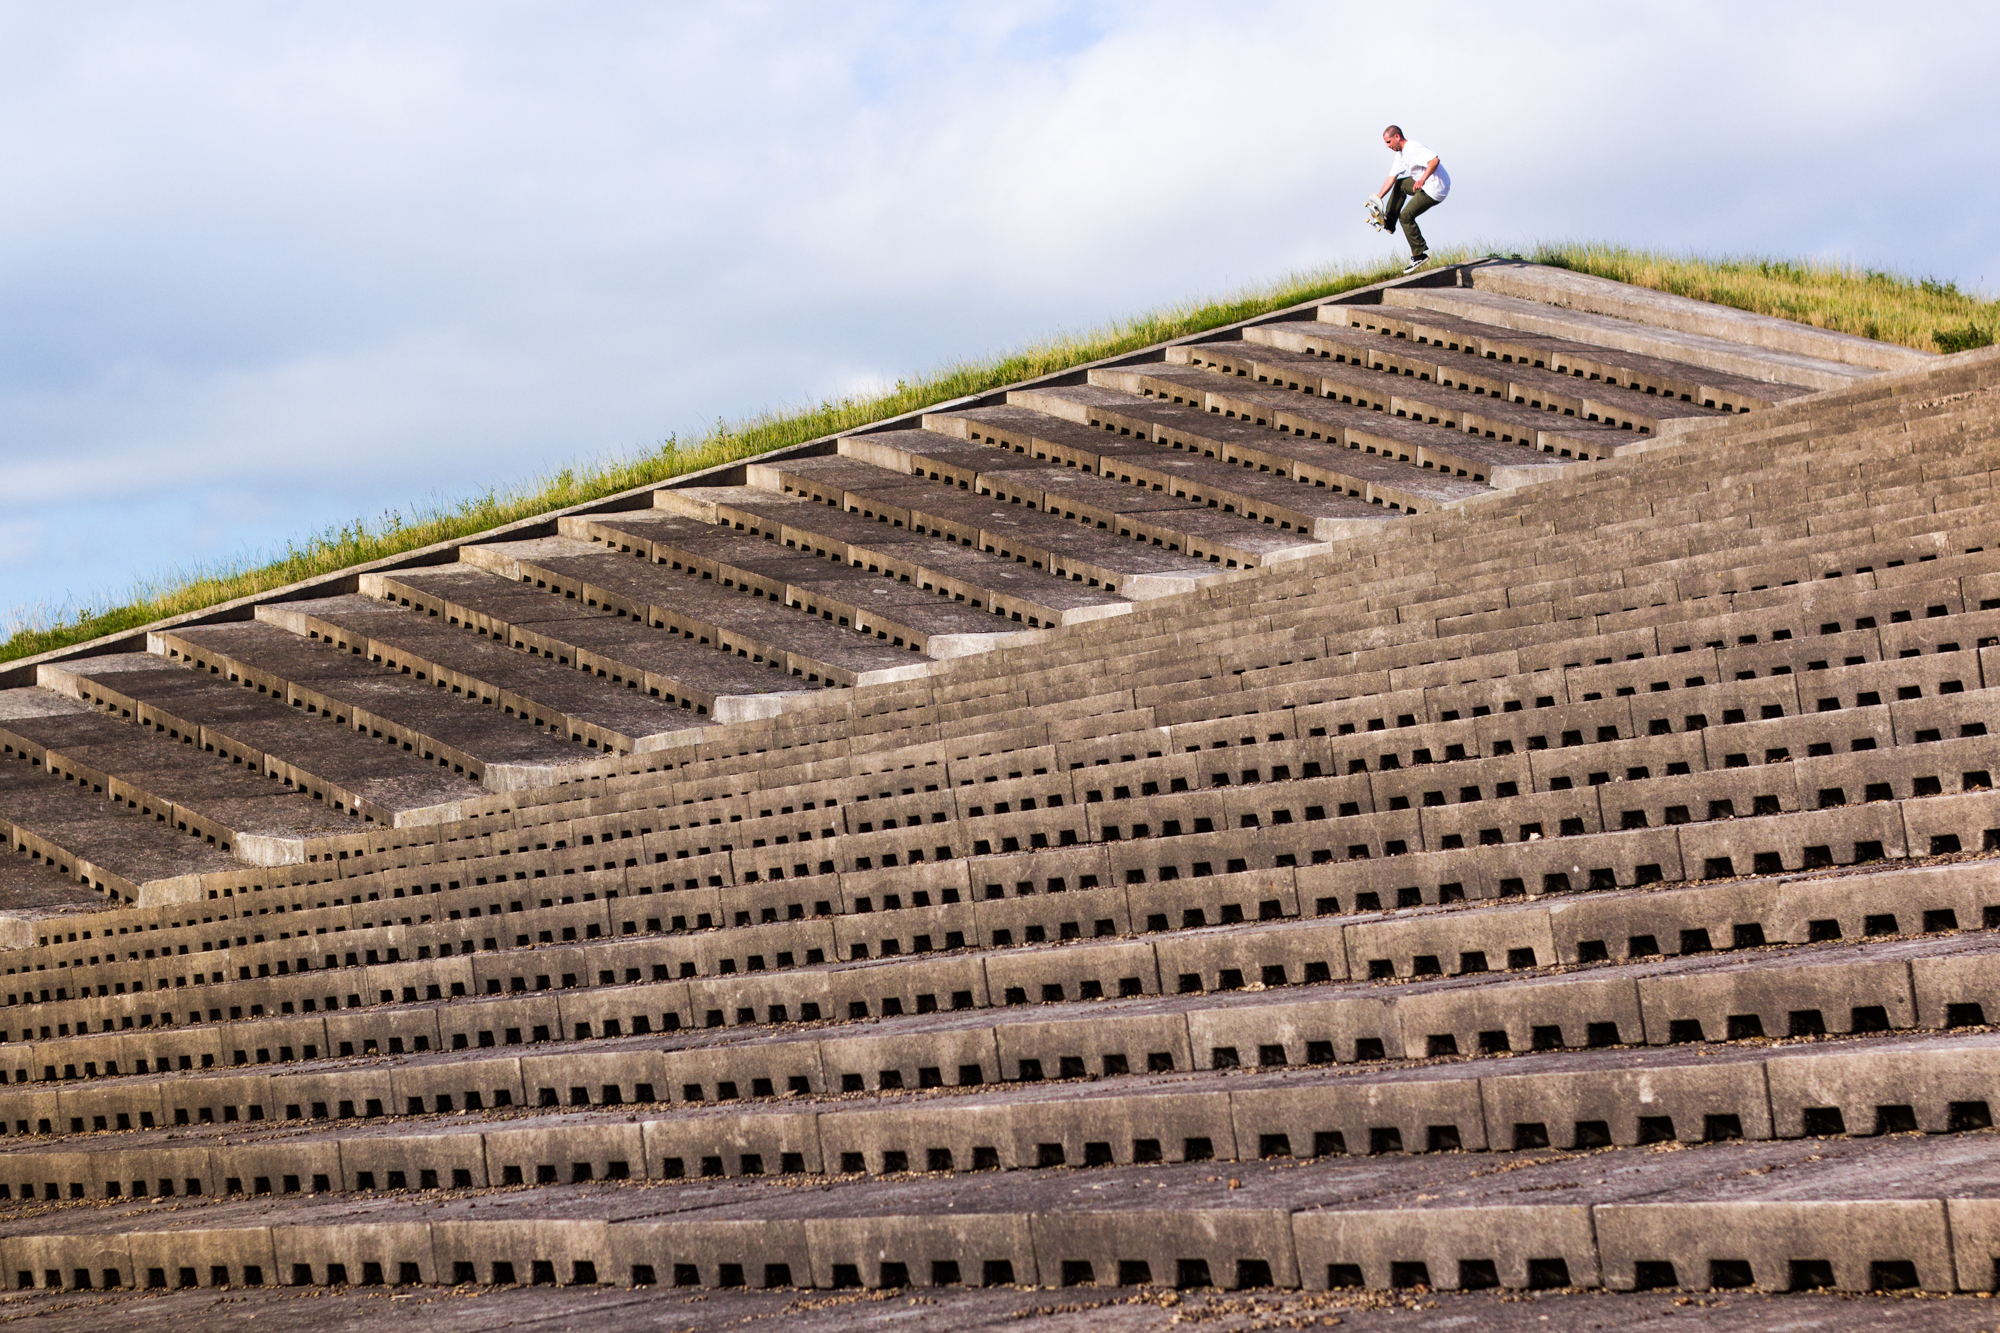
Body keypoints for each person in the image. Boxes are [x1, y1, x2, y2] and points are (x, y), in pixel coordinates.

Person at [1374, 125, 1449, 272]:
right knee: (1400, 184)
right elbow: (1391, 178)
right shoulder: (1400, 156)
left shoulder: (1413, 148)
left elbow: (1434, 161)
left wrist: (1422, 179)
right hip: (1423, 184)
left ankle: (1419, 254)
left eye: (1389, 142)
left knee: (1406, 216)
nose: (1387, 146)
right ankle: (1389, 222)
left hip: (1435, 189)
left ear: (1397, 137)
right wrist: (1378, 197)